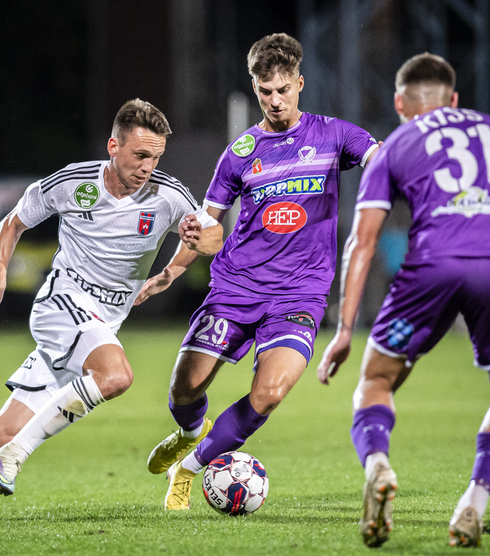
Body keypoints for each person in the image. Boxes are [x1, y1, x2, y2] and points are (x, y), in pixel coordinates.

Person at [0, 99, 222, 520]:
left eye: (156, 157)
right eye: (140, 155)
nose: (148, 166)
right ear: (113, 146)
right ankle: (13, 457)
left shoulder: (168, 193)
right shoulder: (74, 182)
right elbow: (13, 222)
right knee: (116, 375)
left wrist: (173, 269)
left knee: (0, 431)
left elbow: (211, 234)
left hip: (99, 326)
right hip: (61, 305)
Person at [315, 53, 490, 548]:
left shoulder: (396, 145)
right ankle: (472, 503)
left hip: (432, 268)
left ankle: (378, 466)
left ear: (400, 103)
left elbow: (362, 242)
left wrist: (345, 329)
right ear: (454, 99)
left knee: (376, 379)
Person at [143, 32, 380, 510]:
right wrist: (171, 271)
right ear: (254, 87)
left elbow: (383, 161)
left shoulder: (334, 135)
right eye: (266, 91)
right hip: (237, 287)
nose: (275, 100)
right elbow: (208, 226)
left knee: (270, 392)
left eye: (283, 90)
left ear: (300, 84)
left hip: (300, 293)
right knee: (185, 388)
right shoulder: (240, 153)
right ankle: (190, 431)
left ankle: (188, 469)